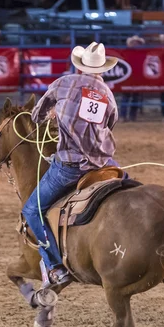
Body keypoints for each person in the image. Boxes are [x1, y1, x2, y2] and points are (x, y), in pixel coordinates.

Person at [22, 42, 122, 285]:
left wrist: (54, 114)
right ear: (102, 68)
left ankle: (55, 267)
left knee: (32, 210)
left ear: (80, 65)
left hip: (69, 166)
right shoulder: (108, 96)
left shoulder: (63, 83)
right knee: (125, 183)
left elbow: (36, 115)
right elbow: (110, 124)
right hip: (102, 163)